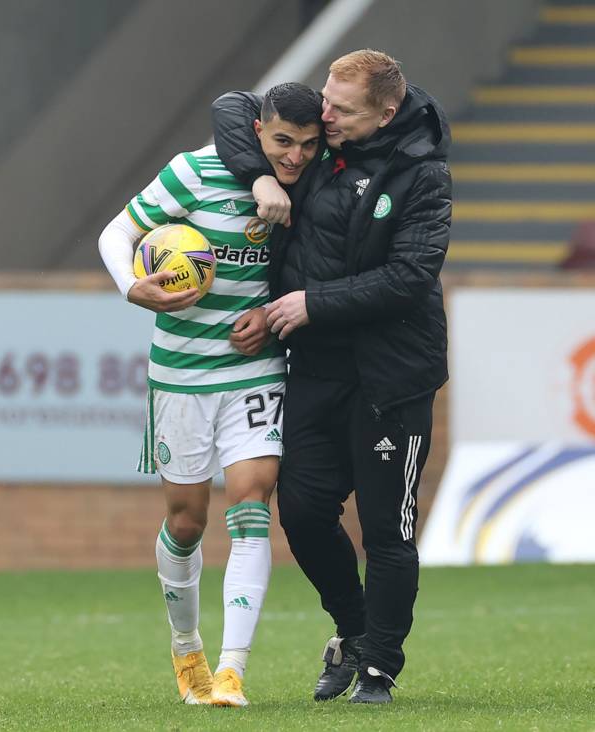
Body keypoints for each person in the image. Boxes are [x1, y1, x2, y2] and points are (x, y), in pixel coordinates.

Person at [212, 50, 452, 704]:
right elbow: (233, 107)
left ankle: (378, 666)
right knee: (305, 510)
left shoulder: (423, 172)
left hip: (391, 379)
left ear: (387, 112)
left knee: (387, 529)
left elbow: (409, 277)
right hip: (318, 369)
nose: (326, 115)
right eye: (326, 99)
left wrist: (312, 304)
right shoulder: (319, 150)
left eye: (341, 109)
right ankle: (352, 631)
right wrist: (257, 179)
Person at [98, 82, 323, 707]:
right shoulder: (192, 173)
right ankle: (186, 646)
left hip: (253, 371)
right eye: (283, 142)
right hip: (181, 375)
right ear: (256, 132)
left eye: (307, 145)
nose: (295, 157)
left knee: (252, 505)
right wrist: (131, 286)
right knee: (186, 521)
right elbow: (115, 234)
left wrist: (270, 312)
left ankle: (231, 672)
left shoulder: (309, 181)